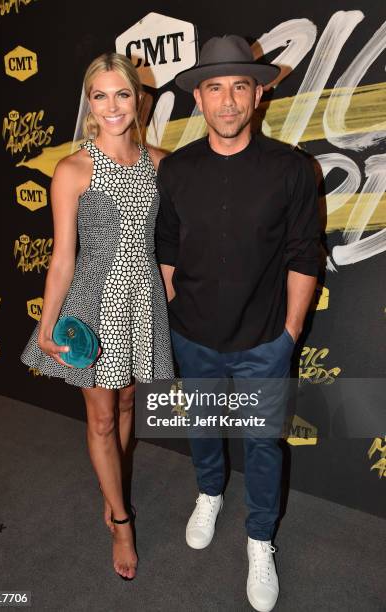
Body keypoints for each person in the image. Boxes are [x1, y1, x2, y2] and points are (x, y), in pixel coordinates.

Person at [156, 35, 320, 611]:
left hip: (264, 342)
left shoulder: (293, 170)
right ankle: (208, 494)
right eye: (215, 88)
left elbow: (305, 255)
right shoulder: (175, 170)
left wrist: (290, 334)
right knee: (203, 428)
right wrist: (175, 316)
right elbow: (167, 250)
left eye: (240, 87)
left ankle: (260, 540)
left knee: (263, 444)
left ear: (258, 97)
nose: (228, 102)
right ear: (198, 98)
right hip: (193, 335)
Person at [21, 52, 174, 580]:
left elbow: (171, 238)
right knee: (103, 417)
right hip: (94, 302)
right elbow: (63, 256)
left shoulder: (160, 161)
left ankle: (114, 484)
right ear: (89, 102)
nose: (112, 106)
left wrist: (169, 285)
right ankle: (120, 516)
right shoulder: (73, 169)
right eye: (101, 95)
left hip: (142, 298)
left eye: (122, 94)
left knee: (129, 398)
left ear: (138, 99)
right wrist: (46, 323)